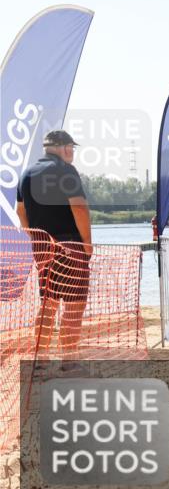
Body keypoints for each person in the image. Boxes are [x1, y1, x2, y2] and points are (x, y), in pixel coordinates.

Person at [15, 130, 92, 358]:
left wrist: (35, 236)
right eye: (72, 148)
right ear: (64, 148)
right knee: (74, 304)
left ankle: (40, 360)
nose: (73, 153)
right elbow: (79, 207)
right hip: (70, 246)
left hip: (42, 249)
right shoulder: (66, 170)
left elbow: (20, 211)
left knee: (48, 303)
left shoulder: (26, 174)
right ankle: (69, 361)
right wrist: (87, 243)